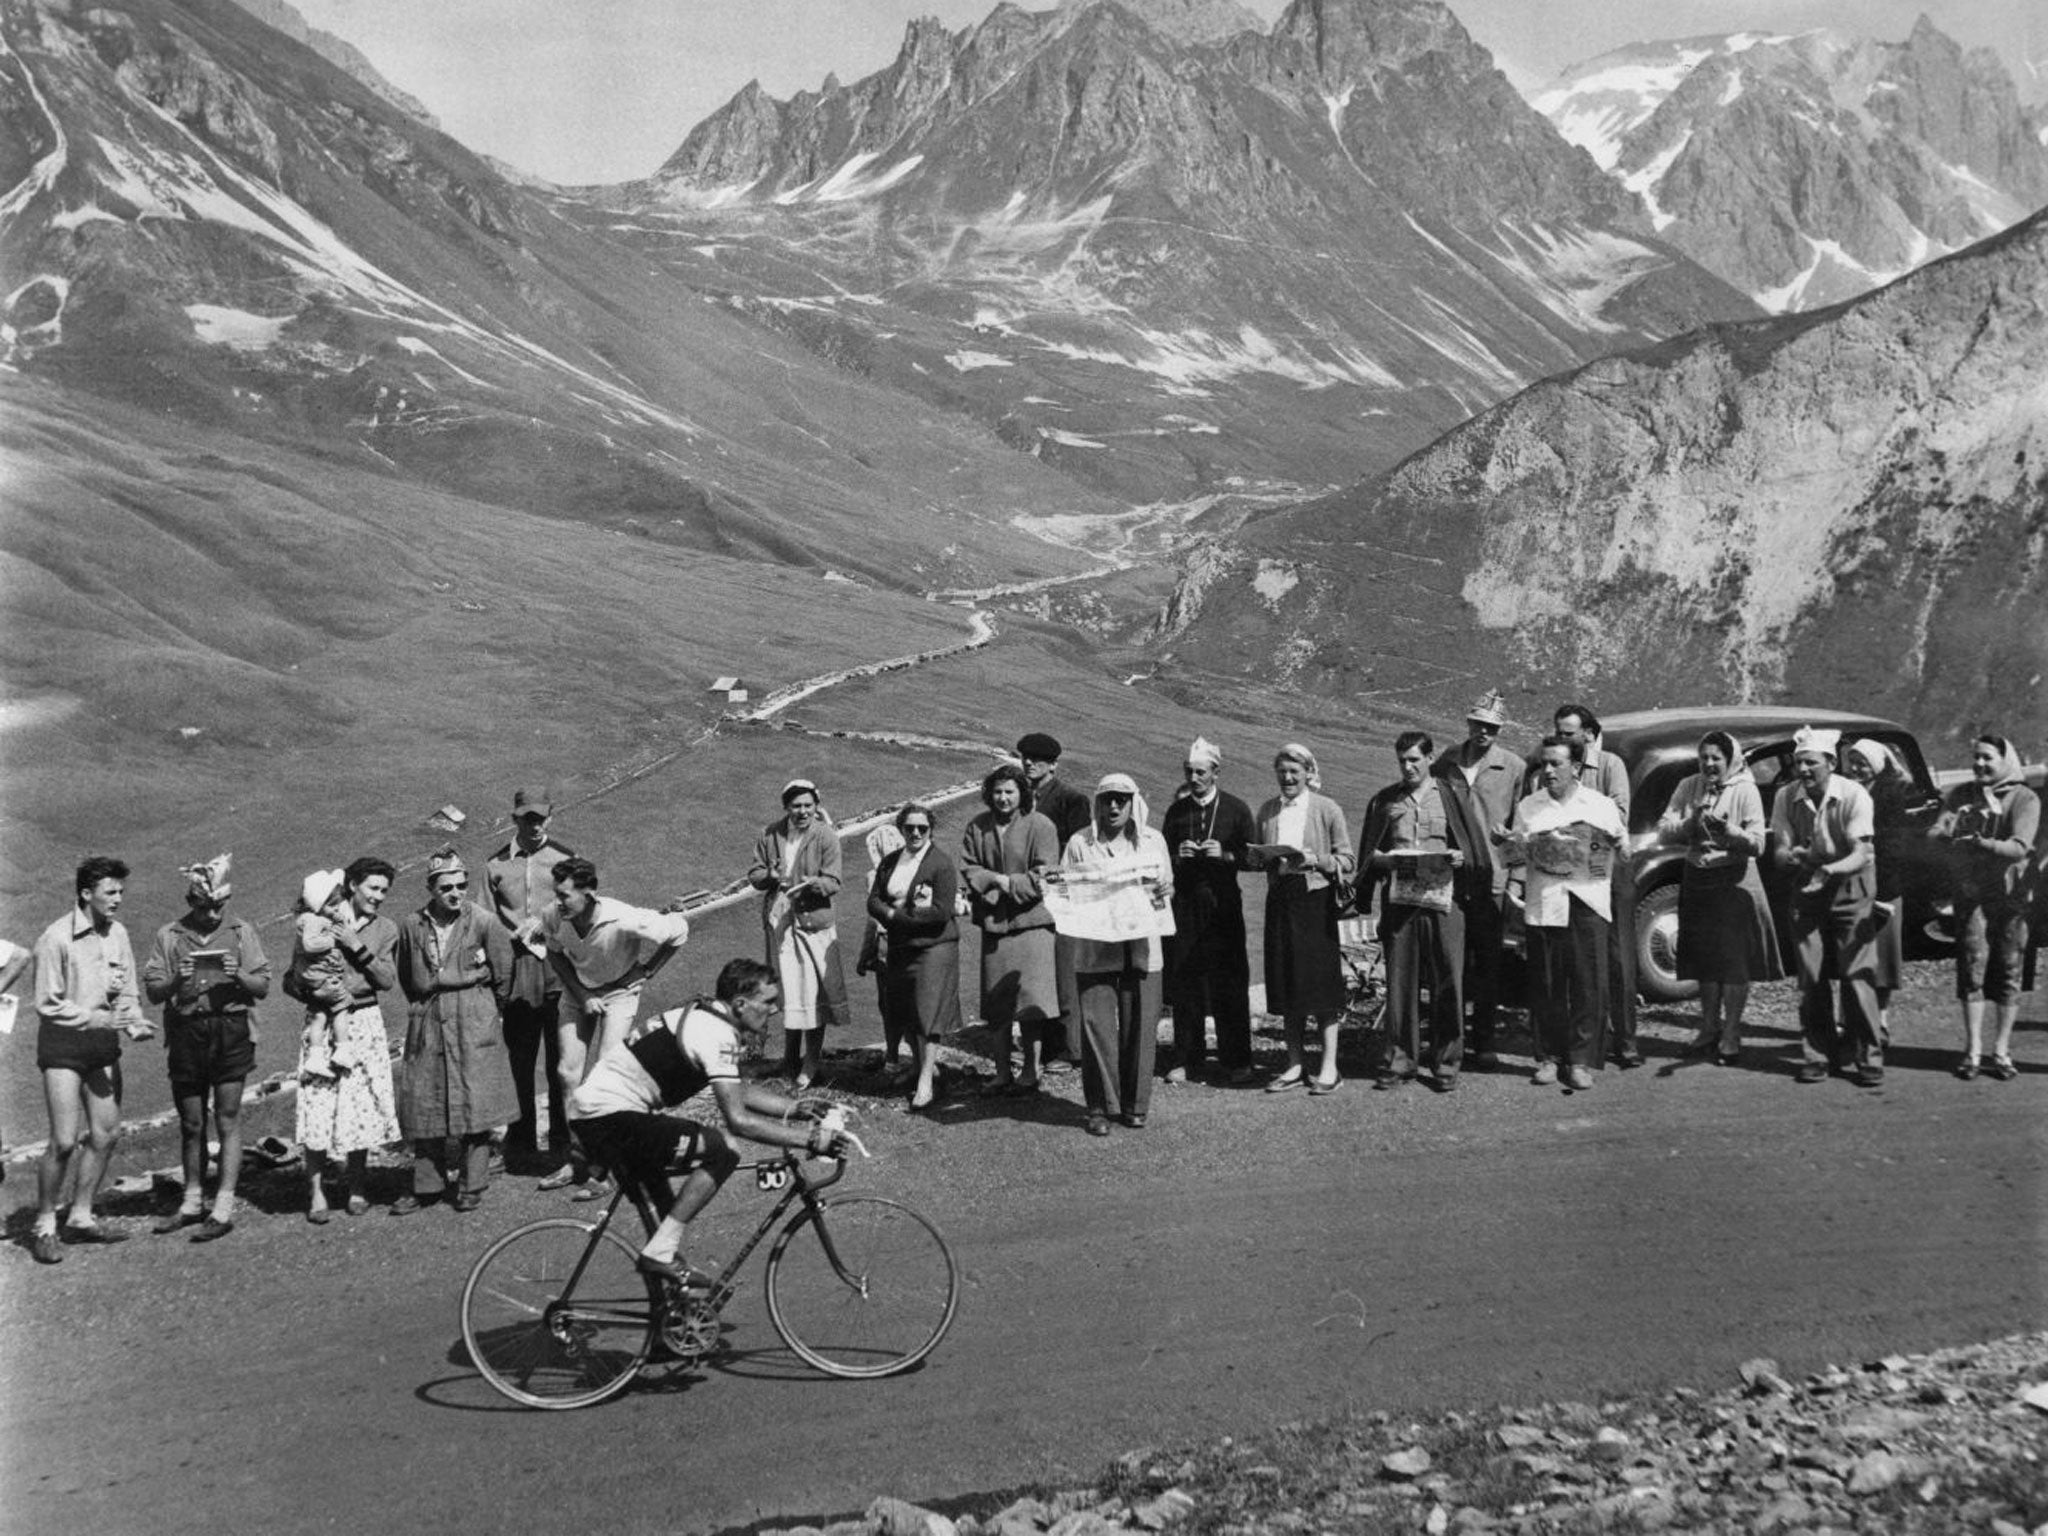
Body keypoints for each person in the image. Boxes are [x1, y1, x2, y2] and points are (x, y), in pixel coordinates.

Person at [567, 957, 854, 1283]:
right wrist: (810, 1140)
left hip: (604, 1115)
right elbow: (738, 1120)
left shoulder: (708, 1016)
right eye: (769, 1002)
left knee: (666, 1216)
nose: (774, 1010)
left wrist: (796, 1108)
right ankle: (660, 1255)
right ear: (741, 1003)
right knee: (723, 1149)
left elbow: (737, 1090)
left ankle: (672, 1306)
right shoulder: (716, 1034)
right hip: (609, 1118)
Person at [537, 856, 690, 1195]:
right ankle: (575, 1159)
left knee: (607, 1076)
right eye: (557, 894)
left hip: (621, 991)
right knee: (567, 1074)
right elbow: (554, 954)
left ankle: (603, 1168)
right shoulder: (553, 915)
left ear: (589, 893)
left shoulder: (624, 918)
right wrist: (581, 993)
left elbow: (678, 932)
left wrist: (647, 970)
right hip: (579, 993)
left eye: (565, 895)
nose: (557, 902)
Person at [142, 854, 271, 1241]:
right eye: (206, 906)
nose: (214, 913)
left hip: (230, 1027)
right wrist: (175, 981)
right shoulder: (170, 936)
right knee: (192, 1121)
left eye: (219, 905)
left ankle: (224, 1204)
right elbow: (153, 990)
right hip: (186, 1030)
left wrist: (239, 975)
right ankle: (192, 1200)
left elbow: (262, 986)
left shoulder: (241, 931)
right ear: (192, 903)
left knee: (227, 1117)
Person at [31, 856, 154, 1263]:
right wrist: (99, 1018)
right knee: (64, 1141)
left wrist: (133, 1021)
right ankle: (45, 1223)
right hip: (63, 1049)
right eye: (110, 892)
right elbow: (47, 1004)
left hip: (101, 1047)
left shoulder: (117, 933)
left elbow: (127, 989)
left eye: (121, 891)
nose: (118, 899)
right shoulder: (56, 938)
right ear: (86, 893)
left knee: (105, 1133)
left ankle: (81, 1216)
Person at [1357, 732, 1486, 1093]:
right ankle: (1400, 1061)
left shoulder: (1451, 797)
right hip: (1400, 905)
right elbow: (1370, 852)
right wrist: (1381, 861)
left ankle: (1446, 1063)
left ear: (1430, 759)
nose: (1408, 767)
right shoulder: (1386, 801)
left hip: (1445, 904)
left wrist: (1461, 859)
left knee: (1448, 980)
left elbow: (1472, 847)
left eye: (1414, 759)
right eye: (1402, 761)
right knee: (1400, 984)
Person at [393, 849, 519, 1213]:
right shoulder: (411, 926)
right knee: (426, 1100)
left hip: (473, 1016)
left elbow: (503, 975)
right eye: (446, 887)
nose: (455, 893)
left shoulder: (484, 922)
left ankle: (472, 1184)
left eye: (461, 886)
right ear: (430, 888)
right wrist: (424, 1001)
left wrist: (485, 1010)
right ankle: (428, 1186)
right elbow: (407, 976)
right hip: (429, 1016)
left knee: (474, 1103)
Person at [1503, 737, 1626, 1091]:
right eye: (1544, 764)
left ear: (1576, 768)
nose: (1549, 771)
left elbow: (1622, 846)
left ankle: (1581, 1060)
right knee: (1546, 983)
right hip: (1546, 902)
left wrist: (1612, 845)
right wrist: (1508, 843)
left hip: (1587, 901)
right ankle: (1547, 1057)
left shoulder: (1600, 805)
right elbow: (1514, 860)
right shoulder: (1529, 806)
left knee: (1588, 984)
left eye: (1557, 764)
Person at [1055, 773, 1174, 1134]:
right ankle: (1099, 1108)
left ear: (1133, 802)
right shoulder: (1080, 843)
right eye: (1107, 799)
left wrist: (1164, 888)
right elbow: (1065, 888)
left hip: (1142, 945)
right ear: (1097, 803)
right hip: (1095, 946)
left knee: (1140, 1025)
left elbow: (1166, 888)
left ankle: (1135, 1105)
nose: (1114, 806)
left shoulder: (1153, 841)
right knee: (1097, 1026)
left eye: (1121, 799)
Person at [1768, 727, 1884, 1087]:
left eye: (1811, 763)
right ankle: (1818, 1054)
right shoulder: (1786, 797)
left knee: (1857, 972)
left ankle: (1867, 1055)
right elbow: (1781, 850)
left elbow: (1861, 851)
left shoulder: (1854, 796)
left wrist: (1827, 869)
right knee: (1810, 972)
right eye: (1799, 762)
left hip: (1852, 884)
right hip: (1808, 886)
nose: (1803, 769)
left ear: (1831, 763)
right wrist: (1794, 857)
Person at [1657, 731, 1782, 1065]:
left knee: (1733, 963)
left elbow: (1758, 843)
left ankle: (1731, 1033)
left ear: (1731, 760)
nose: (1709, 764)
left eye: (1716, 758)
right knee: (1705, 961)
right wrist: (1690, 823)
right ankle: (1709, 1028)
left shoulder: (1745, 790)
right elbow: (1664, 828)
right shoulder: (1688, 786)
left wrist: (1730, 833)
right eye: (1704, 757)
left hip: (1734, 882)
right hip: (1698, 878)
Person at [289, 857, 403, 1222]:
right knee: (319, 1098)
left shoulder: (385, 929)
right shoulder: (320, 920)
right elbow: (290, 977)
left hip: (364, 1020)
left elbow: (386, 980)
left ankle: (356, 1187)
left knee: (359, 1104)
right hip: (322, 1020)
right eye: (372, 888)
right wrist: (309, 990)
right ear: (352, 885)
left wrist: (355, 944)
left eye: (384, 890)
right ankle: (317, 1192)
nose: (379, 896)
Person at [1930, 734, 2040, 1081]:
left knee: (2008, 969)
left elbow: (2020, 847)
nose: (1979, 765)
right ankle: (1973, 1050)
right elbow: (1935, 831)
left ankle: (2002, 1050)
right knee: (1971, 966)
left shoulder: (2024, 798)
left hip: (2010, 895)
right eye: (1975, 758)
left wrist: (1982, 842)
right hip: (1971, 892)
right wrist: (1945, 832)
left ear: (2005, 760)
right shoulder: (1961, 794)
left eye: (1987, 758)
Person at [1250, 743, 1354, 1094]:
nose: (1288, 778)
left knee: (1321, 987)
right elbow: (1255, 857)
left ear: (1309, 773)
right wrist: (1261, 857)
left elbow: (1348, 861)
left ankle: (1329, 1068)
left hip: (1316, 902)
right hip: (1281, 901)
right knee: (1288, 984)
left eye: (1295, 771)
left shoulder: (1327, 809)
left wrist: (1316, 861)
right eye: (1282, 771)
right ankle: (1293, 1065)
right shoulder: (1267, 811)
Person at [485, 788, 575, 1177]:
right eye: (527, 819)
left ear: (550, 818)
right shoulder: (495, 866)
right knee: (520, 1060)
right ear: (514, 819)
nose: (535, 825)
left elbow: (582, 908)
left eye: (541, 818)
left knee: (561, 1059)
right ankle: (519, 1144)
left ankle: (562, 1143)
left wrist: (549, 921)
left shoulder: (565, 858)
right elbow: (485, 920)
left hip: (557, 966)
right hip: (517, 969)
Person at [1431, 690, 1522, 1066]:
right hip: (1452, 874)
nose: (1484, 732)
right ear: (1468, 723)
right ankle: (1448, 1038)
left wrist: (1516, 876)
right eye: (1479, 725)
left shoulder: (1513, 767)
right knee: (1451, 959)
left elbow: (1521, 825)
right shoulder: (1448, 760)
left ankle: (1483, 1040)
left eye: (1492, 728)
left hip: (1493, 876)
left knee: (1487, 962)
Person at [1161, 737, 1257, 1085]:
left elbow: (1254, 857)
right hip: (1185, 904)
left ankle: (1236, 1060)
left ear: (1216, 773)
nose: (1194, 778)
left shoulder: (1236, 808)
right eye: (1189, 771)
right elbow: (1161, 857)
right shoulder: (1177, 812)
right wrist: (1177, 856)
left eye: (1201, 772)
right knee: (1187, 982)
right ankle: (1188, 1058)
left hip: (1223, 906)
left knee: (1229, 981)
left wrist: (1227, 855)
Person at [959, 763, 1060, 1095]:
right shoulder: (978, 827)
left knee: (1030, 1002)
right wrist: (994, 883)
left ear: (1022, 794)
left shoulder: (1040, 825)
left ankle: (1031, 1071)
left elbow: (1045, 875)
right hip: (995, 924)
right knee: (998, 1003)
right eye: (998, 792)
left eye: (1010, 791)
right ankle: (1002, 1072)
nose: (1003, 798)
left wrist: (1007, 882)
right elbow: (970, 868)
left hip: (1032, 926)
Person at [1550, 704, 1640, 1068]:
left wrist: (1576, 820)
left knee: (1619, 958)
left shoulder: (1610, 766)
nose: (1562, 739)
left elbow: (1618, 816)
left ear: (1588, 734)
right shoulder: (1554, 766)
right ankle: (1589, 1041)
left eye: (1568, 733)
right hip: (1571, 873)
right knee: (1584, 961)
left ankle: (1628, 1039)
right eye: (1558, 732)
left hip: (1609, 869)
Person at [747, 779, 851, 1091]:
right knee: (788, 990)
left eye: (808, 805)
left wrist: (812, 882)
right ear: (786, 807)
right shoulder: (771, 833)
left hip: (813, 922)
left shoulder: (825, 836)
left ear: (816, 805)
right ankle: (789, 1058)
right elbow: (754, 874)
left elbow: (834, 881)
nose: (802, 811)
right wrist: (771, 876)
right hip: (781, 922)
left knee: (813, 992)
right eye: (796, 806)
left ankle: (811, 1061)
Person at [868, 803, 963, 1112]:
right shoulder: (891, 861)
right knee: (905, 1010)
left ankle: (926, 1082)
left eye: (922, 828)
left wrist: (897, 916)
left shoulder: (941, 864)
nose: (916, 833)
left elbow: (941, 912)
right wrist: (891, 913)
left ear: (930, 829)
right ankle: (921, 1067)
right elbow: (874, 901)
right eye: (910, 828)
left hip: (933, 947)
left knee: (928, 1013)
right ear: (902, 829)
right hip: (901, 947)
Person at [1018, 732, 1092, 1069]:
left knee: (1064, 971)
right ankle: (1042, 1045)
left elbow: (1078, 851)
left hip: (1062, 897)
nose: (1029, 763)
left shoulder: (1071, 800)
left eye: (1037, 759)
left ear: (1053, 764)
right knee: (1036, 970)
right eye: (1025, 758)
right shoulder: (1020, 800)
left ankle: (1068, 1047)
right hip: (1029, 897)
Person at [1841, 740, 1914, 1042]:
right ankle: (1846, 1021)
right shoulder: (1844, 793)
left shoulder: (1891, 799)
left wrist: (1877, 892)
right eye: (1853, 761)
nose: (1856, 768)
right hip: (1848, 887)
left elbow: (1894, 849)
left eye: (1863, 763)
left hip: (1882, 887)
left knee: (1882, 960)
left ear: (1877, 767)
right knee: (1848, 955)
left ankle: (1880, 1021)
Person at [289, 867, 356, 1080]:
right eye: (332, 904)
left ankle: (315, 1057)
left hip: (311, 982)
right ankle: (342, 1049)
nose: (337, 908)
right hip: (323, 978)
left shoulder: (306, 918)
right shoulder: (314, 920)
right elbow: (309, 945)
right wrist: (332, 941)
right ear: (319, 904)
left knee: (319, 1015)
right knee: (342, 1005)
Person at [854, 822, 908, 1078]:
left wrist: (865, 956)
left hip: (885, 945)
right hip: (906, 941)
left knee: (888, 1003)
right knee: (906, 1001)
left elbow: (873, 923)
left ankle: (893, 1056)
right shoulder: (911, 870)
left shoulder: (874, 875)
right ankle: (909, 1056)